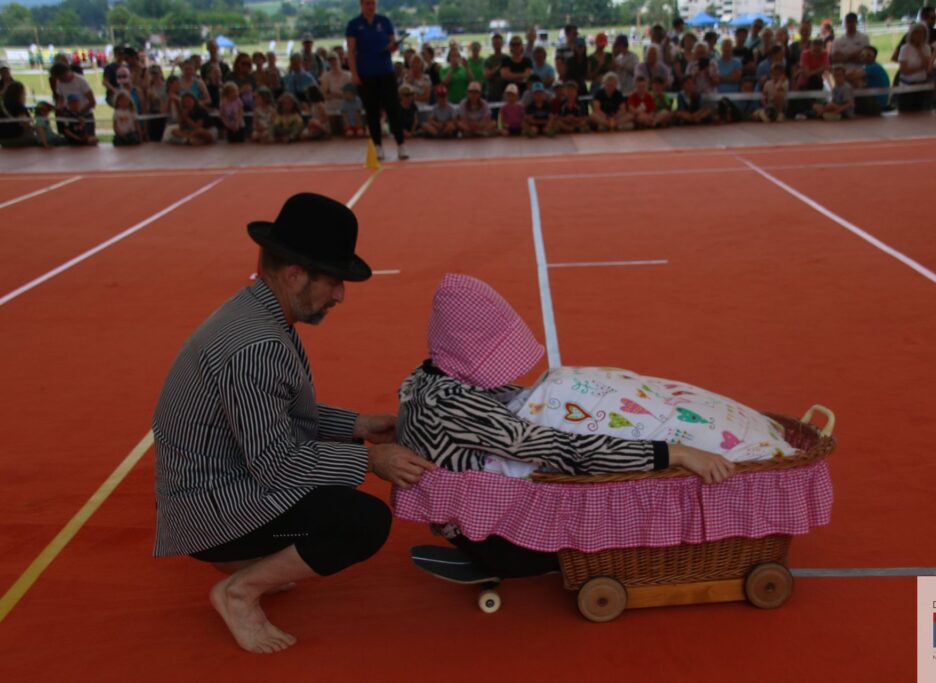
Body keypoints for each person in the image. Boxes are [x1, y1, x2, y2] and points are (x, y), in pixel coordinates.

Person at [154, 193, 434, 653]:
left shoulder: (257, 312)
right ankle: (239, 590)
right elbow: (278, 465)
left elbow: (277, 414)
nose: (341, 295)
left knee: (334, 496)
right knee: (360, 522)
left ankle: (255, 560)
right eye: (335, 281)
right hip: (210, 509)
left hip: (219, 482)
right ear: (295, 274)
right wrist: (371, 460)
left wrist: (359, 425)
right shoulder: (256, 346)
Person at [397, 274, 737, 482]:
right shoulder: (452, 406)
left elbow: (510, 398)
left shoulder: (428, 379)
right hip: (498, 528)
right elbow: (563, 449)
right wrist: (671, 453)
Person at [346, 0, 408, 160]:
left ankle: (401, 144)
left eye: (373, 3)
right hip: (366, 74)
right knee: (372, 111)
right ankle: (377, 146)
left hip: (385, 72)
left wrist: (394, 46)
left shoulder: (385, 21)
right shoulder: (354, 24)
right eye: (367, 4)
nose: (370, 6)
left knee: (393, 109)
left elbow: (392, 45)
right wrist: (354, 73)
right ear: (361, 5)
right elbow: (351, 51)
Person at [897, 23, 933, 112]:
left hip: (922, 84)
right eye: (916, 33)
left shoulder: (927, 48)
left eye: (922, 33)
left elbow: (928, 65)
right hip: (907, 85)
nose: (919, 35)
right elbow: (904, 69)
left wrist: (920, 50)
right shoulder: (905, 48)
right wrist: (921, 68)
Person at [0, 82, 37, 148]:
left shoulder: (2, 105)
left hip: (3, 140)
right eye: (24, 93)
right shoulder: (18, 106)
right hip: (17, 138)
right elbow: (25, 123)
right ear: (19, 94)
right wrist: (33, 128)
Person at [856, 46, 890, 116]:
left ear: (874, 57)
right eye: (863, 55)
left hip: (877, 104)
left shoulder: (873, 67)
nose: (865, 57)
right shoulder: (866, 67)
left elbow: (852, 76)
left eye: (868, 55)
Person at [483, 33, 506, 106]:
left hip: (505, 93)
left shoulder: (507, 58)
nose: (497, 45)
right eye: (495, 43)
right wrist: (499, 67)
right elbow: (487, 75)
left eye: (498, 43)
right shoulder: (488, 60)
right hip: (492, 93)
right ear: (492, 45)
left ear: (502, 44)